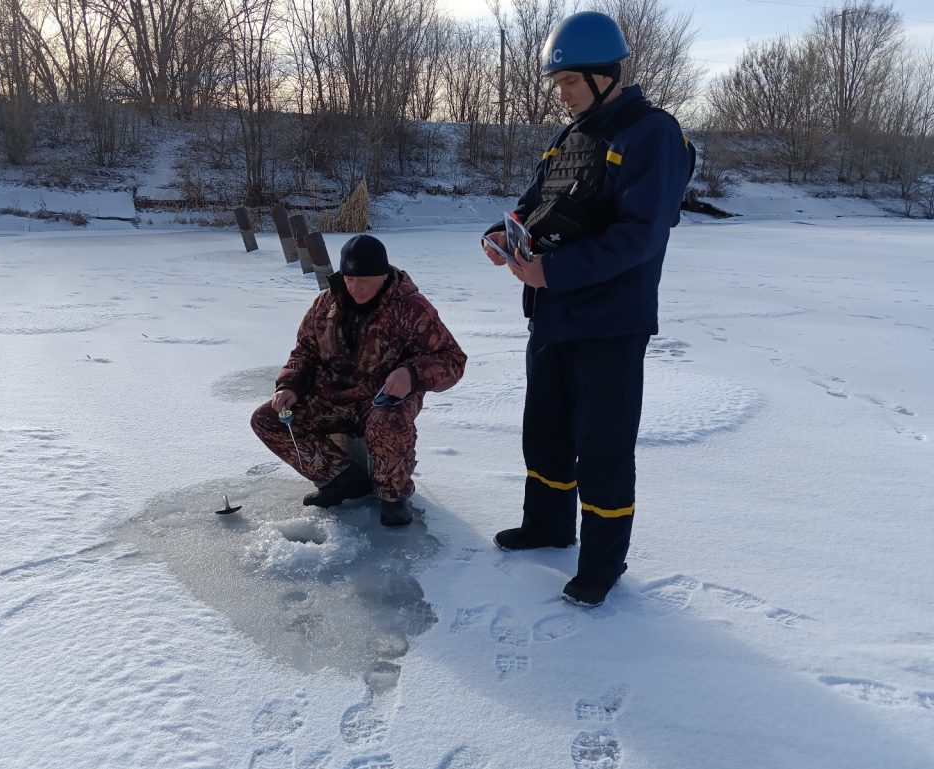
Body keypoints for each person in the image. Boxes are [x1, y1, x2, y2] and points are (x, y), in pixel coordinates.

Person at [481, 11, 695, 606]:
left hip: (611, 323)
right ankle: (548, 525)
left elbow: (640, 236)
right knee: (545, 430)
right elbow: (533, 206)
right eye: (559, 84)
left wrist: (553, 269)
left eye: (570, 82)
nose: (563, 94)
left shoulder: (652, 135)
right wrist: (501, 237)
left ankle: (602, 563)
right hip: (552, 315)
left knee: (602, 445)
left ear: (607, 75)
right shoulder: (569, 138)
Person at [251, 234, 466, 526]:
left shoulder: (411, 307)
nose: (356, 288)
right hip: (332, 396)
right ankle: (340, 479)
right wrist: (289, 385)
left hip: (383, 398)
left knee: (388, 420)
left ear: (384, 274)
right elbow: (304, 351)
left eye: (365, 280)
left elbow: (452, 359)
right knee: (267, 419)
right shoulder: (326, 303)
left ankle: (393, 495)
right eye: (350, 279)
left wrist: (412, 373)